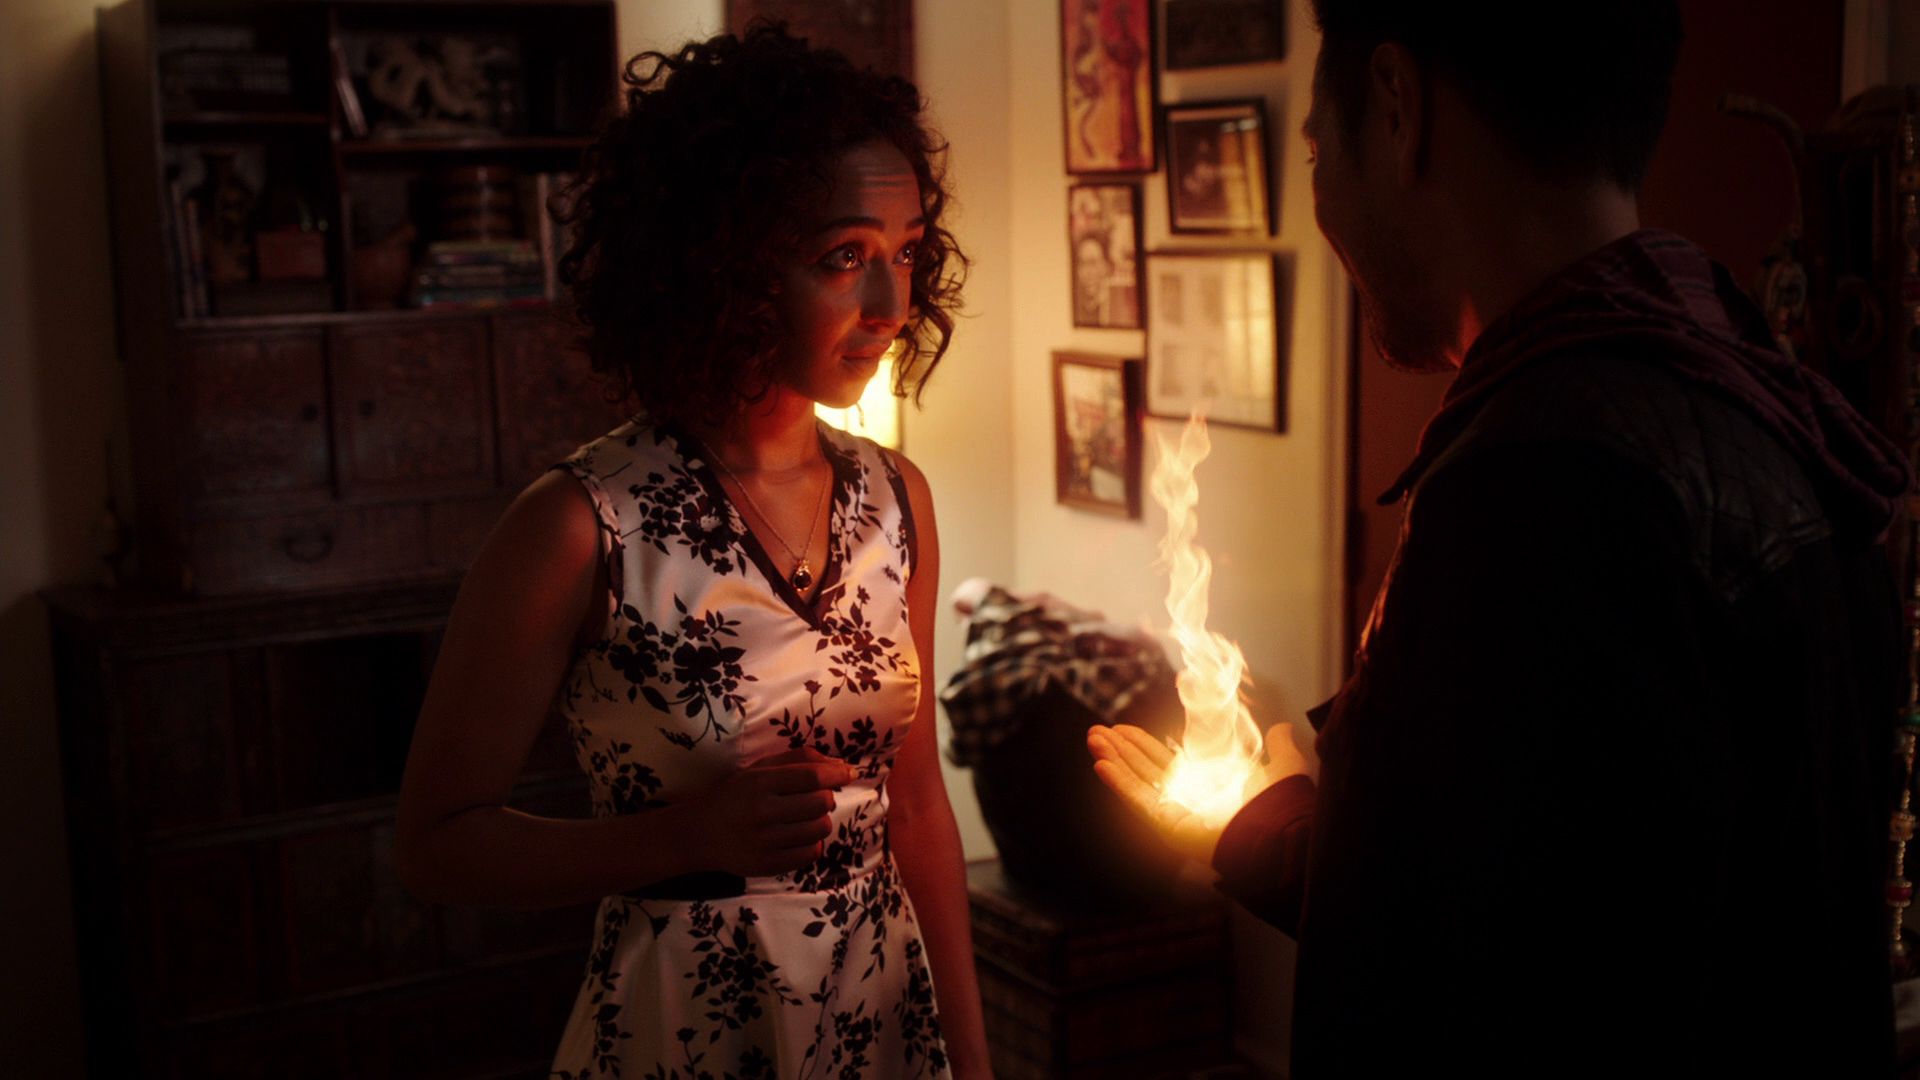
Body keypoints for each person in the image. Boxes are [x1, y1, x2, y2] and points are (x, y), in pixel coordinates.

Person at [1089, 1, 1910, 1074]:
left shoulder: (1545, 488)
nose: (1323, 204)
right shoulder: (1766, 402)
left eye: (1314, 151)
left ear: (1396, 105)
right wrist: (1283, 820)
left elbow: (1521, 1018)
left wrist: (1282, 832)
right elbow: (1573, 908)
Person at [393, 26, 991, 1080]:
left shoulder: (898, 499)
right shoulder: (582, 523)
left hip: (882, 1021)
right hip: (691, 1030)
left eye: (906, 253)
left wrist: (972, 1062)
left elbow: (919, 809)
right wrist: (681, 838)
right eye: (844, 257)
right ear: (727, 262)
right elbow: (436, 844)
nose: (891, 307)